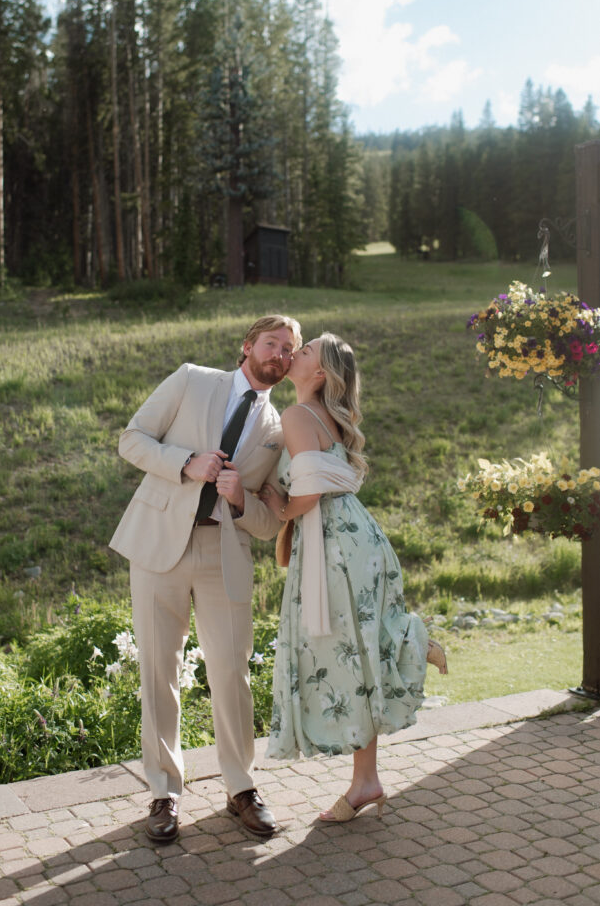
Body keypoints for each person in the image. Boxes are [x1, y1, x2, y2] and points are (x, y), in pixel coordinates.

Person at [109, 315, 302, 843]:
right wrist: (186, 461)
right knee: (157, 671)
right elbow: (132, 440)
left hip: (225, 554)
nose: (280, 355)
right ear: (247, 346)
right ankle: (163, 793)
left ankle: (241, 788)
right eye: (272, 343)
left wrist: (241, 500)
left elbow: (270, 523)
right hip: (157, 547)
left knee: (231, 673)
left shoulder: (280, 431)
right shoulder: (192, 379)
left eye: (290, 349)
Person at [259, 332, 447, 823]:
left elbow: (308, 495)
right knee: (360, 651)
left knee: (347, 653)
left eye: (304, 352)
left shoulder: (300, 416)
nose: (293, 354)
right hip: (359, 538)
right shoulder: (328, 420)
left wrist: (276, 506)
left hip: (333, 547)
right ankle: (367, 778)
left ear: (318, 373)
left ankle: (409, 642)